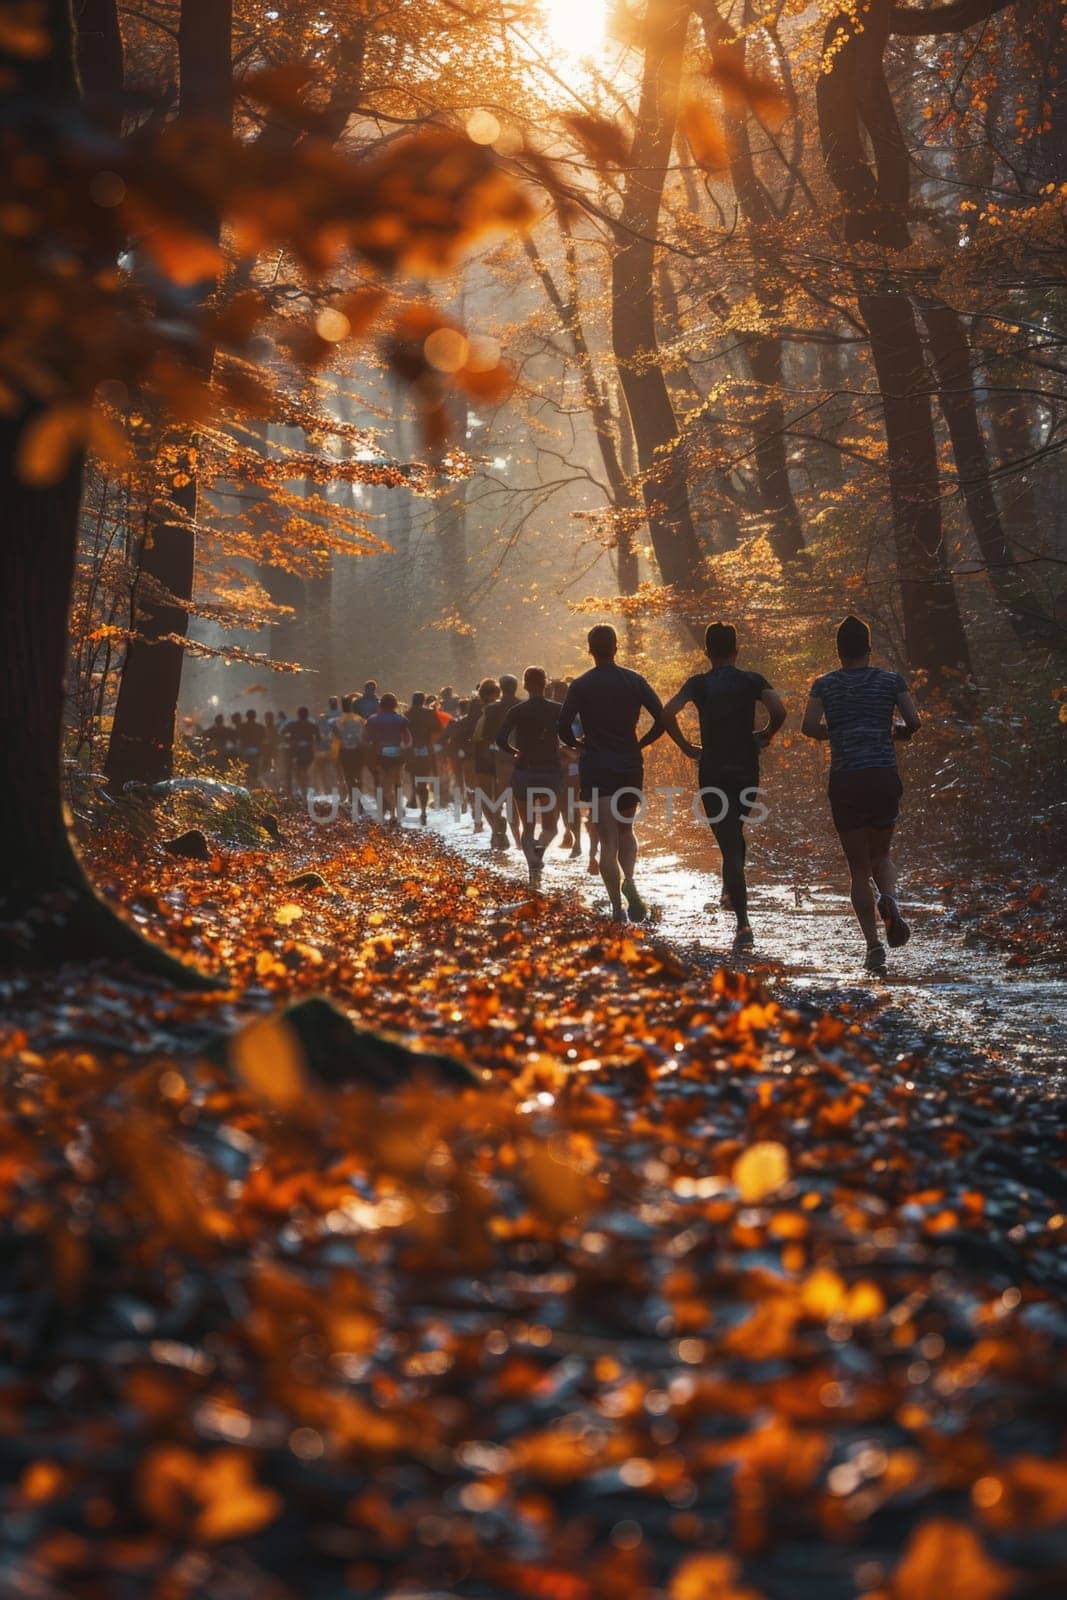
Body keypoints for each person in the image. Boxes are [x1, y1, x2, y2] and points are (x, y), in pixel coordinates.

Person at [646, 622, 786, 955]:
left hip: (713, 769)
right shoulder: (752, 680)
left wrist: (685, 746)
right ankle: (730, 889)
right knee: (734, 833)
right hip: (745, 768)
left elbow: (666, 713)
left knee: (729, 841)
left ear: (707, 653)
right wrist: (765, 735)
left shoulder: (698, 684)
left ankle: (743, 924)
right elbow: (779, 710)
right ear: (736, 650)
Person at [802, 614, 921, 973]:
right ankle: (889, 899)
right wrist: (893, 733)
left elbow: (808, 726)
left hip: (846, 779)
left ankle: (872, 947)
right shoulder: (890, 681)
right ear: (868, 648)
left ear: (838, 650)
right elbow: (913, 722)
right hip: (882, 776)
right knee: (881, 853)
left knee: (857, 869)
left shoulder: (824, 685)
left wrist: (835, 734)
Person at [557, 625, 663, 924]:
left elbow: (563, 726)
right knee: (626, 830)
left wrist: (578, 746)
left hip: (597, 764)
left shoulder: (581, 685)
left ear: (589, 650)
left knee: (606, 837)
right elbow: (662, 717)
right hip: (629, 763)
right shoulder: (634, 680)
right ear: (616, 647)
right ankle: (629, 879)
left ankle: (617, 908)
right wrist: (641, 742)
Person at [495, 667, 563, 888]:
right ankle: (539, 854)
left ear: (525, 685)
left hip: (524, 771)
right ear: (545, 685)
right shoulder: (558, 710)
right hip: (550, 772)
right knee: (551, 827)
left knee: (528, 827)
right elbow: (569, 736)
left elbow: (500, 739)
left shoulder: (517, 711)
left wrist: (515, 752)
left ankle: (533, 868)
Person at [479, 673, 521, 851]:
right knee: (517, 800)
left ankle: (498, 832)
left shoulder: (492, 709)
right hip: (522, 757)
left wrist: (488, 755)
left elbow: (487, 736)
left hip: (500, 757)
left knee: (500, 797)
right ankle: (519, 841)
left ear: (501, 688)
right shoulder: (523, 705)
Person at [363, 693, 412, 825]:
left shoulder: (372, 720)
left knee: (382, 784)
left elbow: (366, 739)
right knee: (397, 783)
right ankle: (395, 811)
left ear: (381, 704)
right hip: (397, 756)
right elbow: (407, 739)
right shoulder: (401, 719)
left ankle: (391, 811)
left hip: (379, 756)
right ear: (395, 704)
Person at [406, 691, 444, 826]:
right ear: (423, 701)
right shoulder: (429, 714)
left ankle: (413, 797)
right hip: (426, 750)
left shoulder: (407, 714)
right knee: (423, 782)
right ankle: (423, 810)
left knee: (412, 776)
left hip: (410, 751)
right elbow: (439, 730)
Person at [470, 678, 501, 837]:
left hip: (482, 756)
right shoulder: (505, 708)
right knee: (502, 796)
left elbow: (473, 734)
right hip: (503, 756)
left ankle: (496, 829)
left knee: (485, 797)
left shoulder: (476, 710)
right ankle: (504, 828)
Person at [334, 695, 366, 804]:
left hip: (345, 751)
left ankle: (353, 798)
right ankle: (359, 795)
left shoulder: (339, 720)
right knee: (359, 774)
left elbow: (337, 736)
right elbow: (365, 734)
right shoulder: (360, 719)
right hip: (359, 750)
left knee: (348, 776)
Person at [283, 706, 320, 798]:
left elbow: (282, 732)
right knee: (305, 771)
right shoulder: (312, 725)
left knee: (299, 772)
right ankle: (306, 790)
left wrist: (289, 740)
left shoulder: (293, 725)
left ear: (298, 715)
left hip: (297, 752)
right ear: (307, 715)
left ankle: (303, 791)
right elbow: (319, 739)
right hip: (308, 753)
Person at [238, 708, 263, 786]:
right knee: (255, 770)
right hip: (256, 751)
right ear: (255, 716)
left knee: (245, 769)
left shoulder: (242, 726)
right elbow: (263, 739)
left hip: (245, 751)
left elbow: (239, 738)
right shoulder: (260, 727)